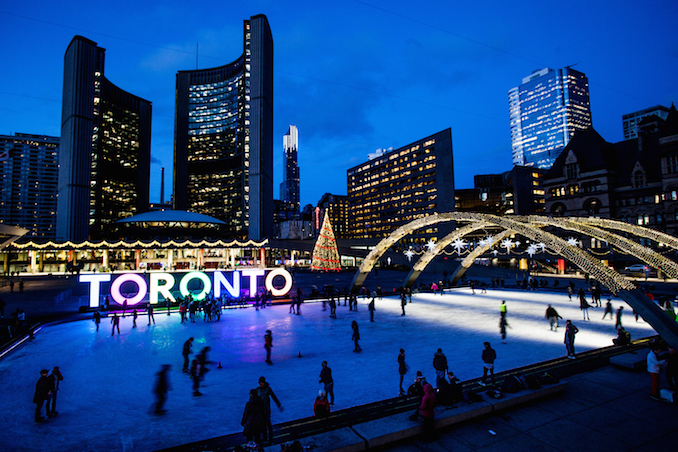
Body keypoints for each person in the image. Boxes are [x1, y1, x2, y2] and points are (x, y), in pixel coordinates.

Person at [257, 376, 283, 444]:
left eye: (262, 382)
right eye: (260, 382)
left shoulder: (268, 389)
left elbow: (273, 396)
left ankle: (270, 439)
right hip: (260, 409)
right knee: (263, 424)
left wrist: (278, 404)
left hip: (267, 409)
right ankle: (265, 437)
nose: (261, 384)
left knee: (268, 423)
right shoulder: (258, 390)